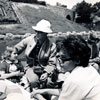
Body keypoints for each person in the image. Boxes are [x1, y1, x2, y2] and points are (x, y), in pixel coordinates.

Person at [31, 35, 100, 100]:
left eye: (63, 58)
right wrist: (42, 91)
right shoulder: (89, 69)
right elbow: (63, 91)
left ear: (77, 60)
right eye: (59, 57)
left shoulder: (74, 80)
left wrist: (38, 97)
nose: (59, 61)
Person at [13, 19, 57, 91]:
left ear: (46, 33)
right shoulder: (29, 40)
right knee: (34, 81)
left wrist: (46, 73)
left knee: (49, 82)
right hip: (30, 67)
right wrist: (14, 60)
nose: (37, 34)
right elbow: (15, 49)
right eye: (37, 31)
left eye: (41, 32)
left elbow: (52, 63)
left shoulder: (52, 46)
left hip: (44, 68)